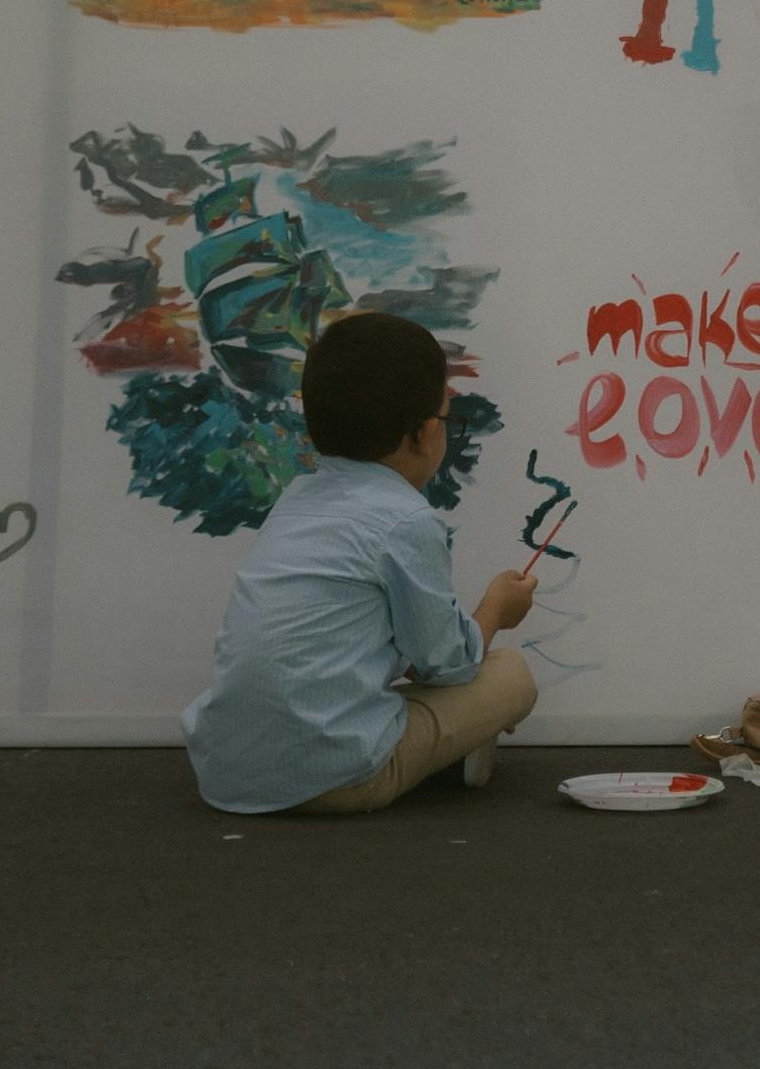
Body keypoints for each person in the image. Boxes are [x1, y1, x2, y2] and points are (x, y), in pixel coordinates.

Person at [181, 311, 541, 814]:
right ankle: (449, 756)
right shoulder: (406, 520)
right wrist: (497, 610)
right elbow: (446, 665)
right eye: (446, 420)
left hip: (225, 774)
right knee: (510, 674)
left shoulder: (298, 498)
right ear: (420, 434)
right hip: (335, 778)